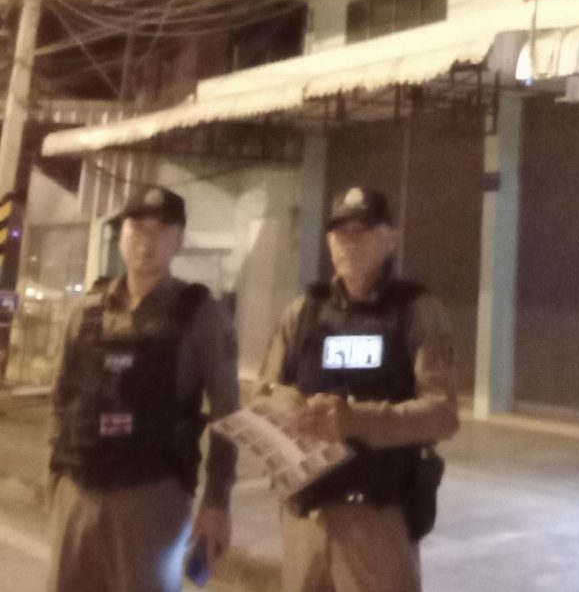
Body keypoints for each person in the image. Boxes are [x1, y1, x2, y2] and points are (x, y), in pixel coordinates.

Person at [258, 186, 459, 592]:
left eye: (362, 232)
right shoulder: (304, 311)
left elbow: (442, 414)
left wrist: (355, 420)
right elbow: (263, 393)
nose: (349, 243)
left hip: (376, 519)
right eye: (340, 233)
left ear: (391, 239)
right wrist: (287, 406)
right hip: (306, 518)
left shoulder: (416, 312)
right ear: (328, 241)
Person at [47, 185, 238, 592]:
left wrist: (217, 501)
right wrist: (57, 479)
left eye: (161, 230)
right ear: (121, 234)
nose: (147, 241)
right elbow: (62, 400)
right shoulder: (85, 311)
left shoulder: (202, 316)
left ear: (179, 240)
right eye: (137, 228)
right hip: (78, 495)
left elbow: (228, 414)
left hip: (152, 499)